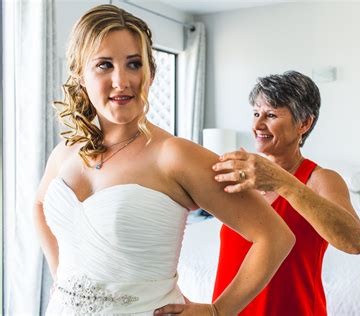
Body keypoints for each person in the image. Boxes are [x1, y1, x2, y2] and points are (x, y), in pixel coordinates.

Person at [32, 5, 295, 316]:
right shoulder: (65, 151)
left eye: (134, 64)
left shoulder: (174, 155)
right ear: (80, 75)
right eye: (104, 65)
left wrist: (217, 311)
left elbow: (275, 237)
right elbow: (40, 206)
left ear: (151, 74)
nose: (121, 80)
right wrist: (60, 271)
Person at [211, 71, 360, 315]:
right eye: (255, 113)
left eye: (271, 115)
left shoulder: (321, 179)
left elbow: (354, 242)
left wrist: (283, 183)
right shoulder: (242, 175)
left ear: (304, 124)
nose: (257, 125)